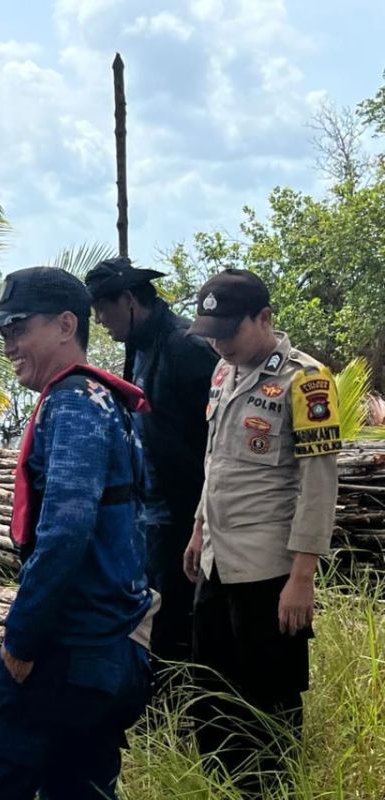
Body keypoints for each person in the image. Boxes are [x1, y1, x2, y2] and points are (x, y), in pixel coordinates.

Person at [0, 266, 156, 800]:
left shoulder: (74, 404)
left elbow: (66, 531)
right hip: (111, 643)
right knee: (79, 786)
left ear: (66, 325)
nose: (9, 344)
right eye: (5, 334)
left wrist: (22, 639)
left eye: (19, 328)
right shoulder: (108, 402)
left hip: (72, 647)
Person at [183, 269, 340, 792]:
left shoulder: (308, 380)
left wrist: (303, 577)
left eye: (229, 331)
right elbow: (217, 463)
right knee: (213, 692)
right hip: (217, 561)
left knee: (269, 699)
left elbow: (318, 486)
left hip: (269, 569)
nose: (220, 343)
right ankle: (222, 785)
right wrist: (198, 529)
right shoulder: (222, 375)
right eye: (212, 333)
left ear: (265, 319)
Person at [85, 257, 218, 665]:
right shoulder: (140, 345)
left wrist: (200, 516)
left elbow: (216, 436)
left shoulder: (186, 346)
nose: (101, 321)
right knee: (152, 608)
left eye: (103, 310)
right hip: (148, 509)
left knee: (176, 614)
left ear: (128, 299)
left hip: (183, 509)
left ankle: (178, 699)